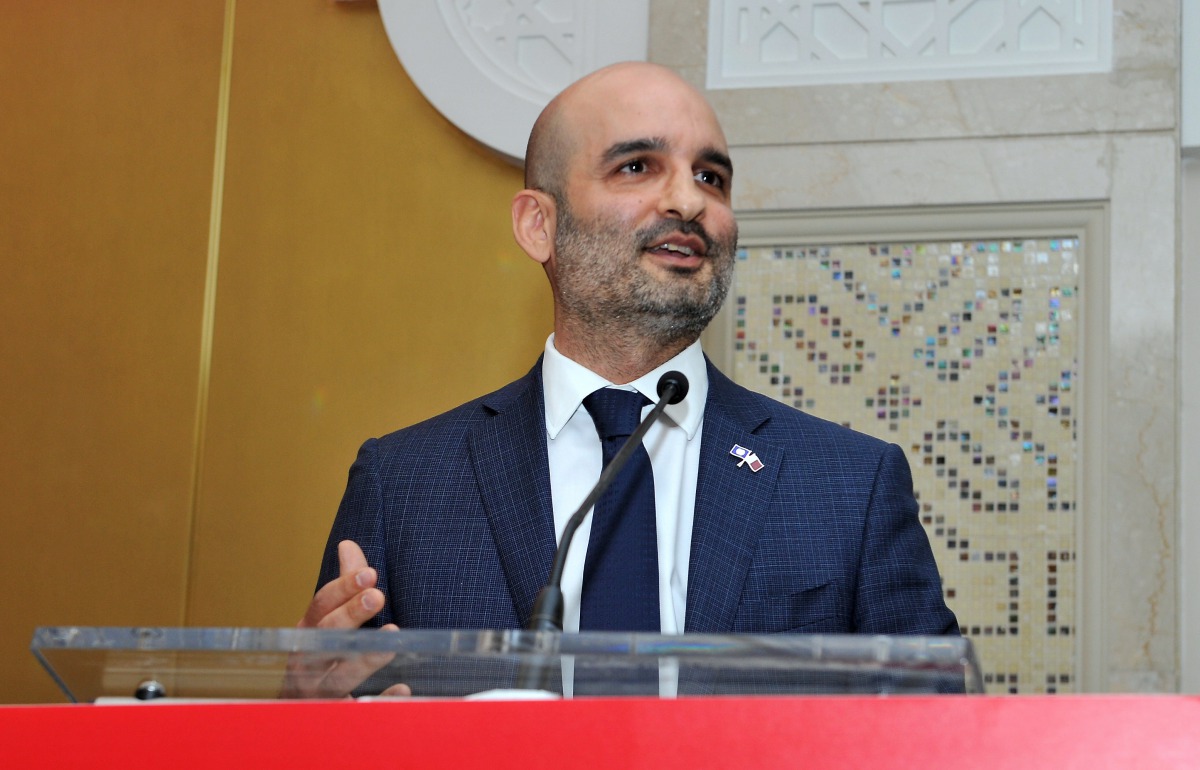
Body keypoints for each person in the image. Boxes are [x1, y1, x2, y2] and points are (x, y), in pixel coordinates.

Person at [291, 62, 957, 697]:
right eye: (637, 166)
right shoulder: (405, 484)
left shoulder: (851, 486)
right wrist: (304, 703)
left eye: (711, 177)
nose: (688, 201)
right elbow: (334, 712)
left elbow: (948, 733)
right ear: (539, 225)